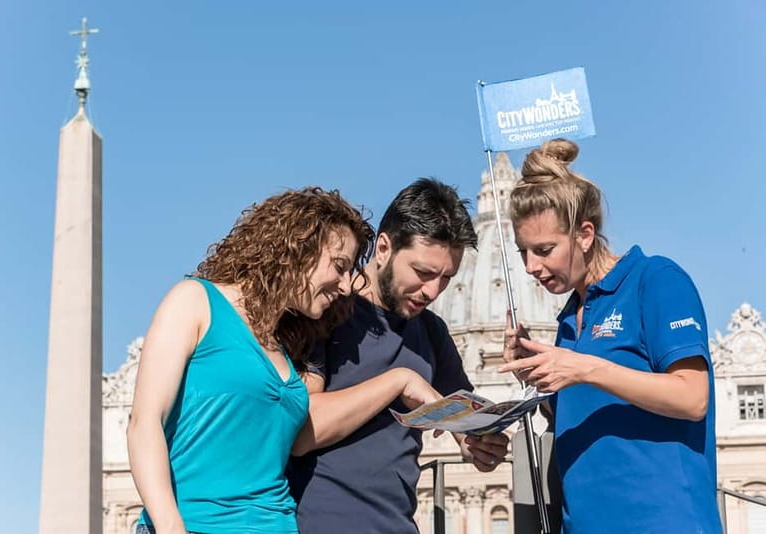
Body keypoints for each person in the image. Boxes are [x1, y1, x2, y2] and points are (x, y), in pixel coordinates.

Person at [500, 139, 722, 533]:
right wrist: (533, 372)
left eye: (545, 249)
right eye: (523, 252)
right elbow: (587, 411)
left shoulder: (655, 279)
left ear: (585, 235)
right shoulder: (569, 319)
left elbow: (693, 397)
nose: (532, 266)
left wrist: (586, 369)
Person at [127, 187, 374, 534]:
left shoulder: (288, 347)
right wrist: (169, 525)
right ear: (298, 248)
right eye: (339, 266)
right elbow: (144, 422)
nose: (347, 286)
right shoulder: (195, 302)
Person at [288, 178, 510, 534]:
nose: (433, 291)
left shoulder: (433, 332)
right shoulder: (325, 312)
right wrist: (398, 382)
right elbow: (300, 433)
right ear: (384, 248)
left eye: (447, 278)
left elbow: (466, 431)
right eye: (423, 273)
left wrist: (481, 446)